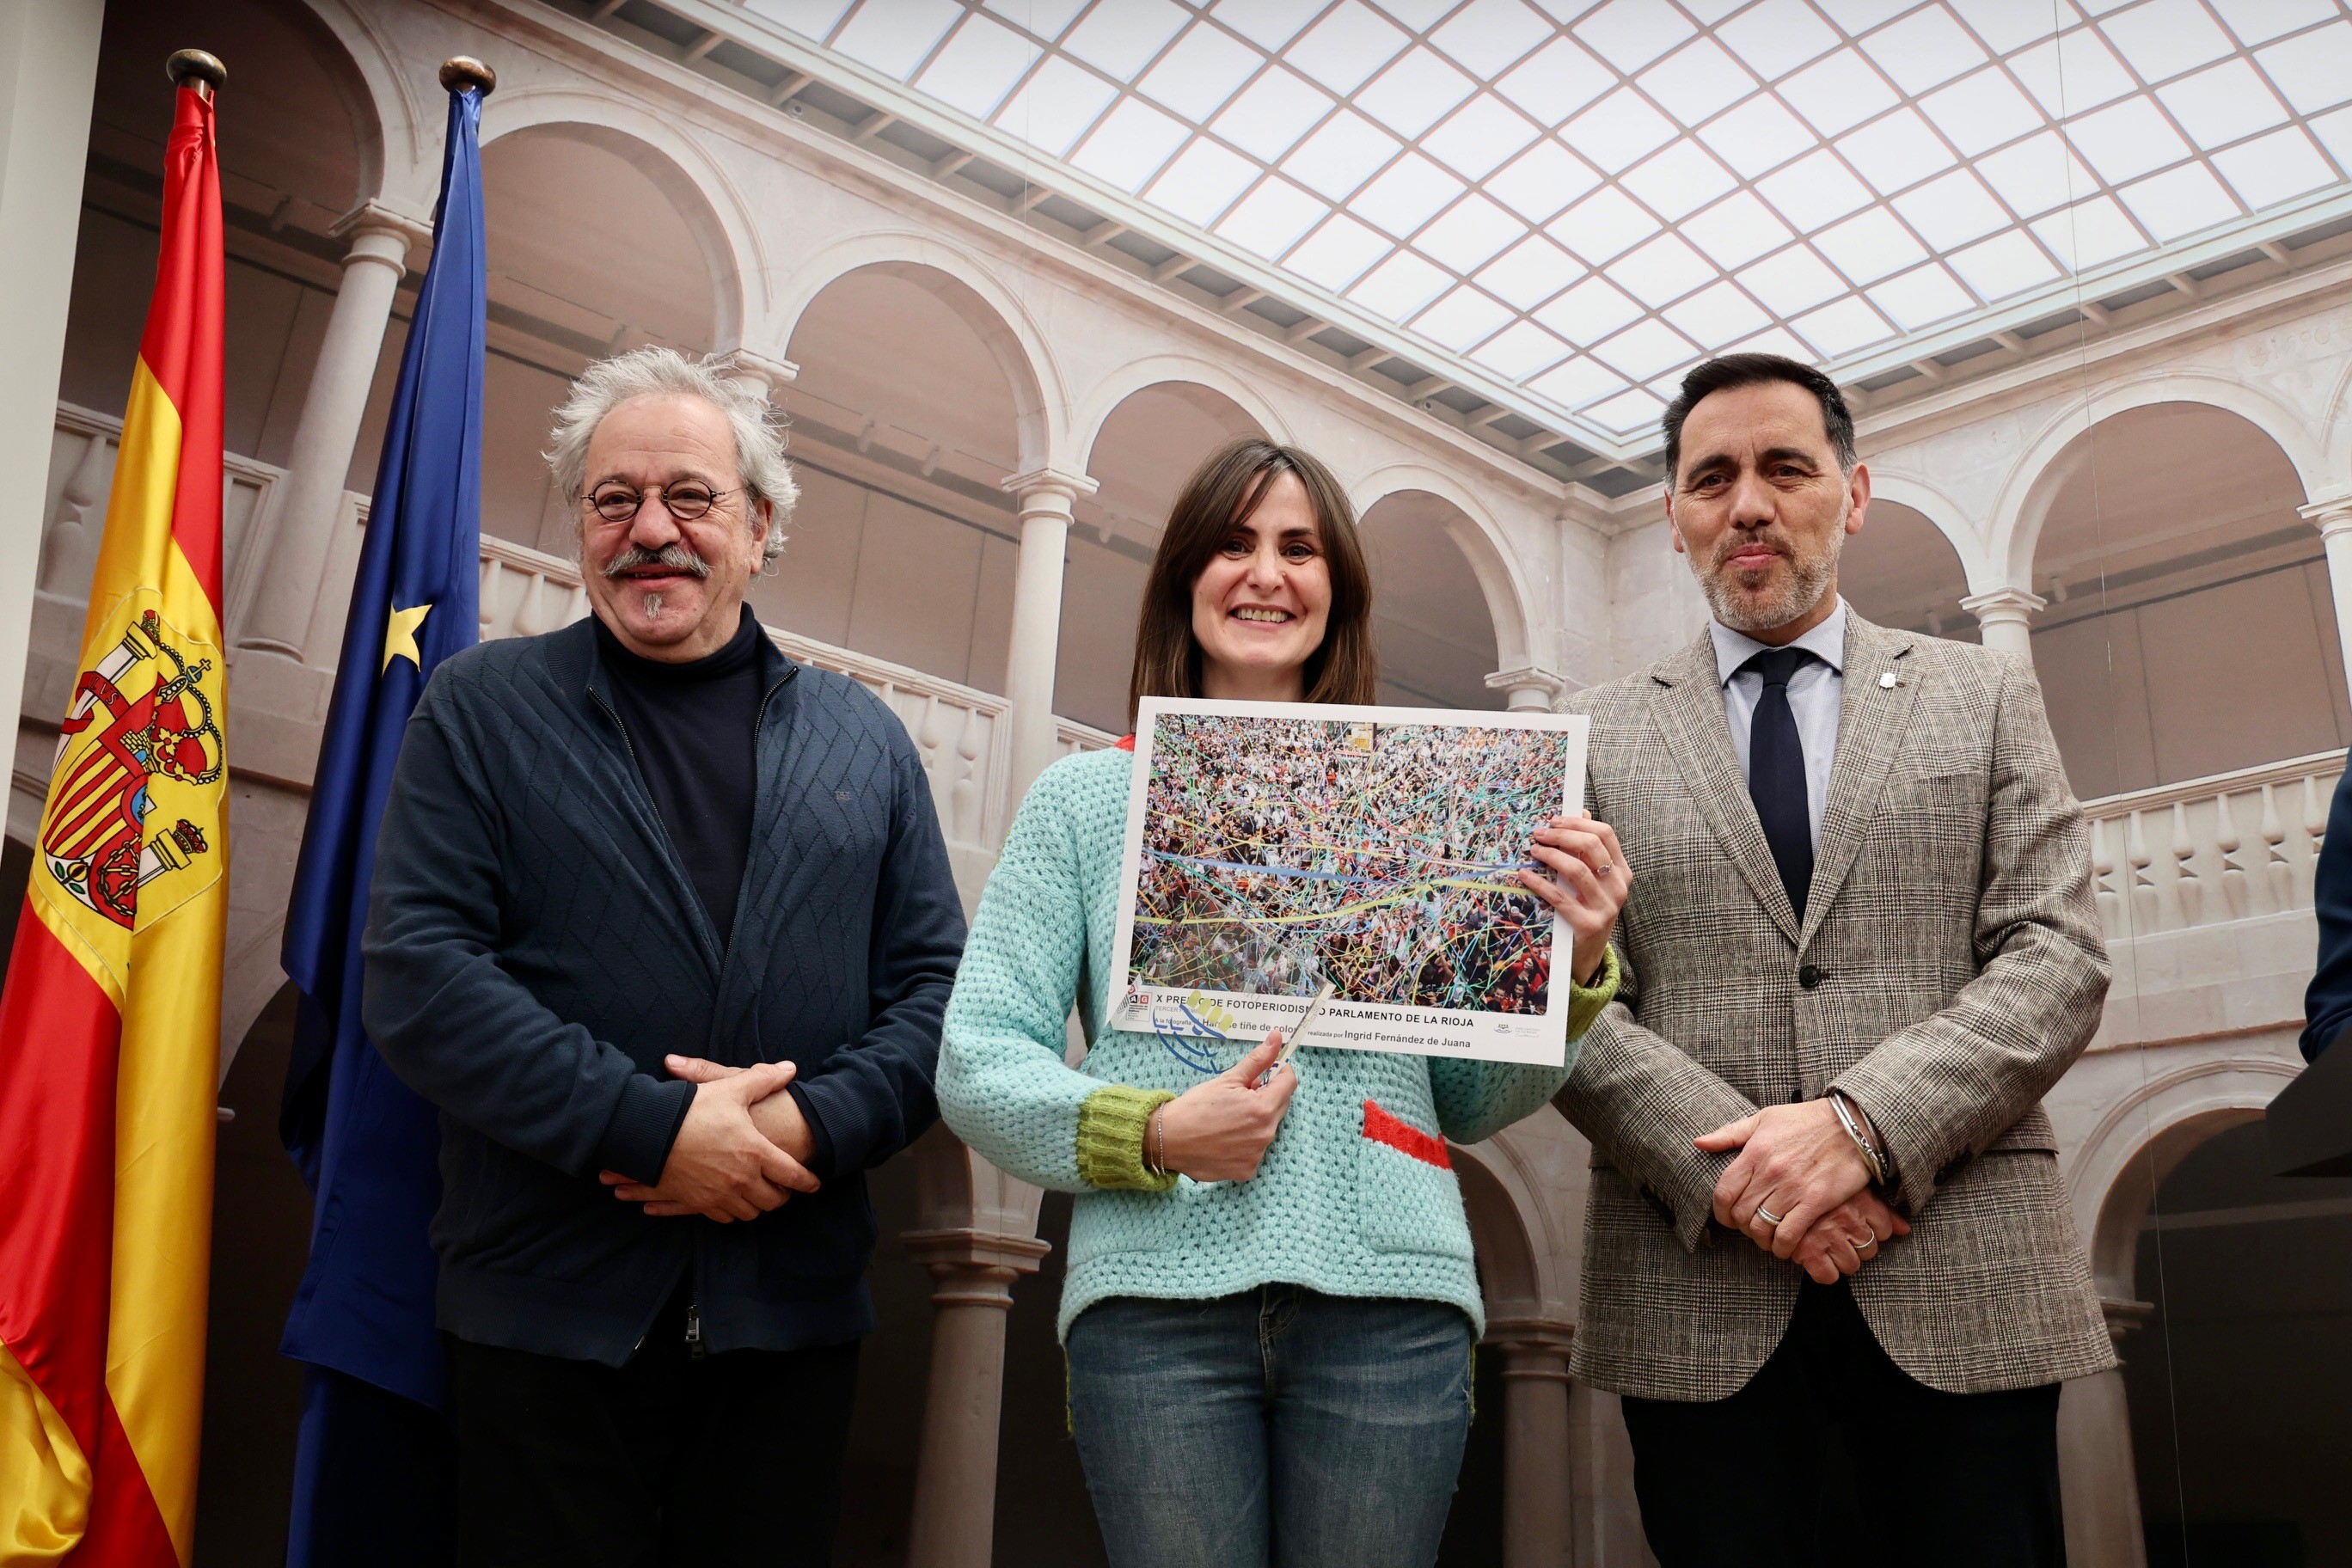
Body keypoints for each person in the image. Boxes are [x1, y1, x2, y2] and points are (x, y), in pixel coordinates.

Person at [937, 438, 1626, 1568]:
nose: (1266, 573)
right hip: (1153, 1307)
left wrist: (1574, 966)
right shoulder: (1083, 802)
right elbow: (976, 1061)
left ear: (1337, 592)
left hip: (1393, 1303)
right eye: (1233, 543)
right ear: (1183, 581)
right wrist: (1149, 1131)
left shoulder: (1425, 811)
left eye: (1300, 548)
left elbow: (1468, 1098)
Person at [362, 347, 964, 1566]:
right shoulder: (480, 709)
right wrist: (653, 1131)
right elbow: (420, 971)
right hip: (542, 1319)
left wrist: (797, 1131)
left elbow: (938, 998)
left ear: (761, 524)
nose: (651, 530)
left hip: (787, 1326)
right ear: (582, 526)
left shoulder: (870, 742)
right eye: (613, 499)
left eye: (691, 496)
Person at [1556, 352, 2114, 1566]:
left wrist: (1858, 1129)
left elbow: (2056, 951)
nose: (1747, 503)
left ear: (1851, 495)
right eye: (1712, 479)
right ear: (1674, 519)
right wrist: (1752, 1178)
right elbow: (1562, 1000)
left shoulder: (1983, 694)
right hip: (1699, 1292)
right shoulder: (1586, 738)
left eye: (1784, 468)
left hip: (1959, 1267)